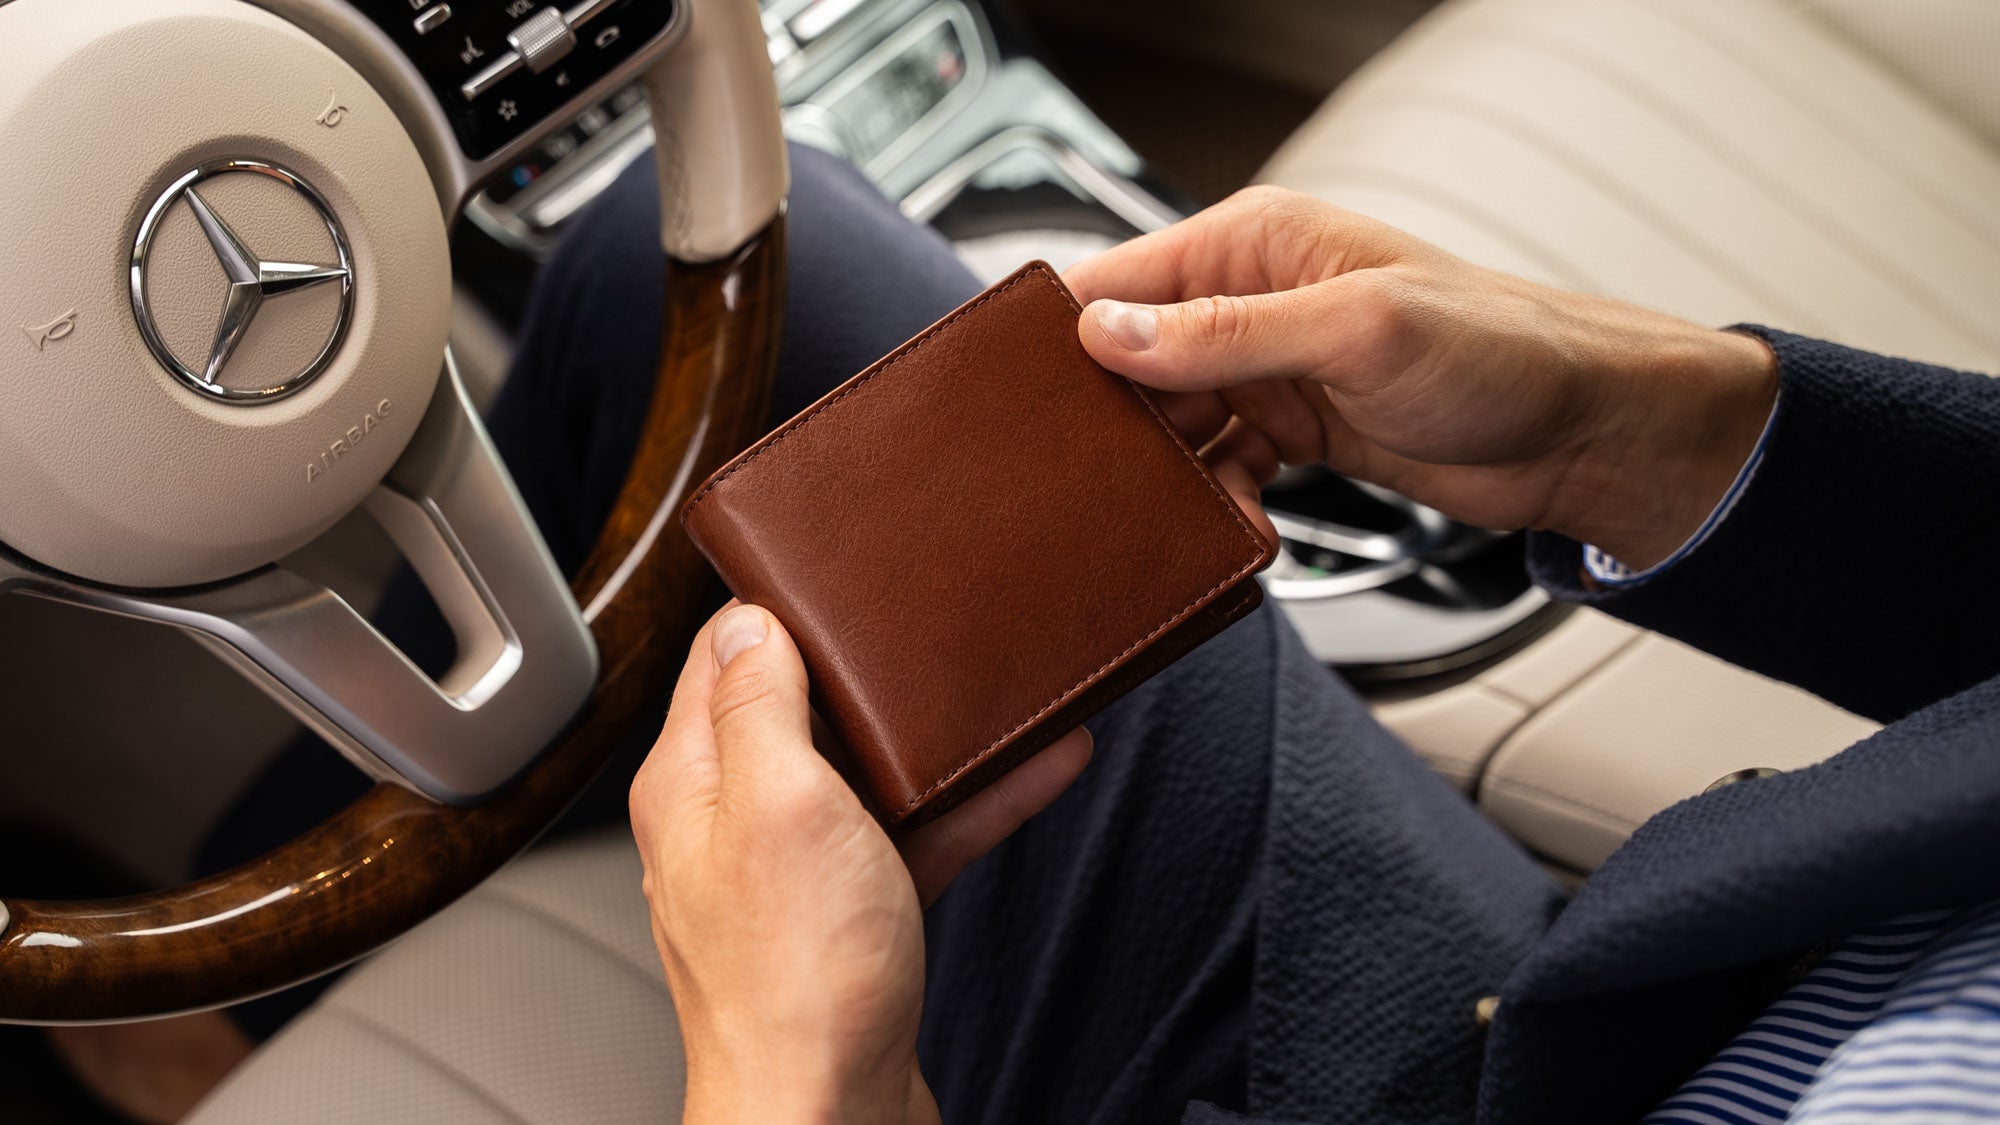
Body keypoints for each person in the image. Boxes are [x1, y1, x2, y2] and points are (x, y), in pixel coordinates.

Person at [200, 146, 2000, 1125]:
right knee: (710, 269)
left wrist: (801, 1073)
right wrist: (1634, 427)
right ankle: (269, 927)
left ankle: (232, 961)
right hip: (1629, 1003)